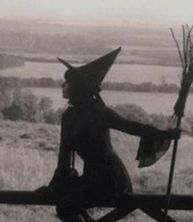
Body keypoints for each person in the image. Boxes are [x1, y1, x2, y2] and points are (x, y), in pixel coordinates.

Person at [39, 47, 180, 222]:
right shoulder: (68, 116)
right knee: (65, 202)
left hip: (111, 180)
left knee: (65, 207)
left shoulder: (99, 112)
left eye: (67, 82)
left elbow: (131, 127)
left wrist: (165, 134)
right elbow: (64, 155)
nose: (62, 85)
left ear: (78, 87)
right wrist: (56, 186)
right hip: (91, 178)